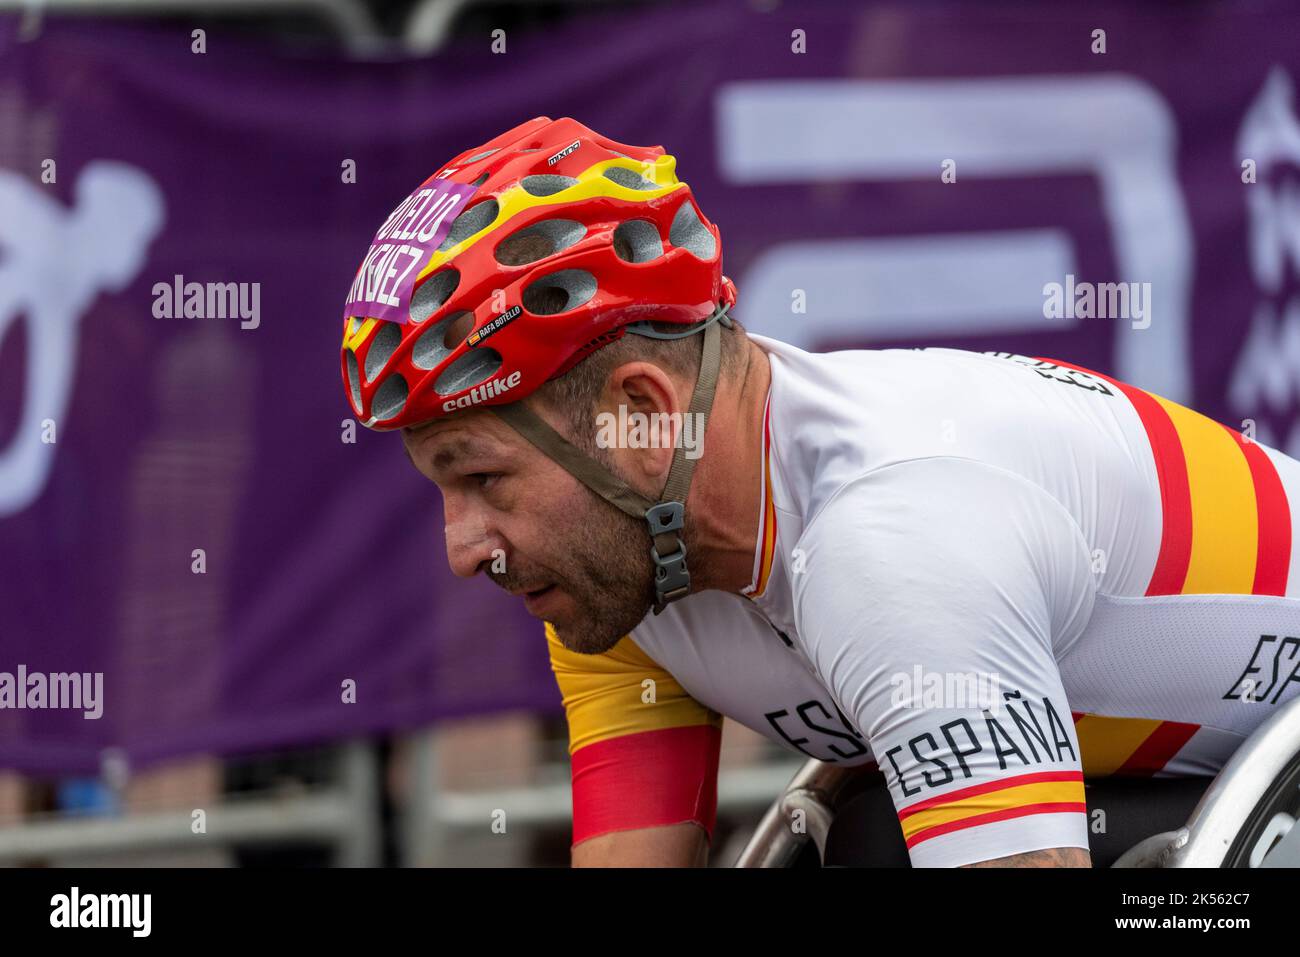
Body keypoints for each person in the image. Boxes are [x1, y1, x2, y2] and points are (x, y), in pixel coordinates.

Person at [340, 116, 1300, 867]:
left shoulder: (890, 546)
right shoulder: (628, 559)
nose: (465, 549)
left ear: (641, 411)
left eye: (482, 477)